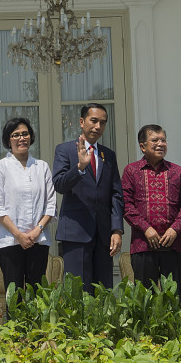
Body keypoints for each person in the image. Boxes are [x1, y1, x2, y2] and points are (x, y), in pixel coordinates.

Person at [52, 103, 124, 292]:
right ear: (81, 122)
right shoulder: (65, 150)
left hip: (103, 235)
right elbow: (59, 184)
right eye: (93, 121)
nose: (98, 127)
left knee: (103, 292)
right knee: (77, 293)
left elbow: (116, 193)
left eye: (103, 122)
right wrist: (79, 168)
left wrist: (117, 229)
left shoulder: (108, 155)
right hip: (76, 232)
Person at [122, 124, 181, 288]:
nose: (161, 144)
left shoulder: (177, 172)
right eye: (155, 140)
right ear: (142, 146)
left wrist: (174, 229)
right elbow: (126, 205)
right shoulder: (131, 171)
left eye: (163, 140)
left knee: (173, 299)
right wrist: (146, 228)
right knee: (145, 299)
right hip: (142, 245)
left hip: (172, 245)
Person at [0, 117, 56, 292]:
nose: (21, 138)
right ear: (8, 140)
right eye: (15, 135)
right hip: (10, 241)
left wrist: (36, 231)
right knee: (14, 294)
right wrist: (18, 235)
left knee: (37, 294)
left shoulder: (42, 167)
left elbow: (51, 204)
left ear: (31, 137)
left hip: (38, 241)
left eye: (25, 134)